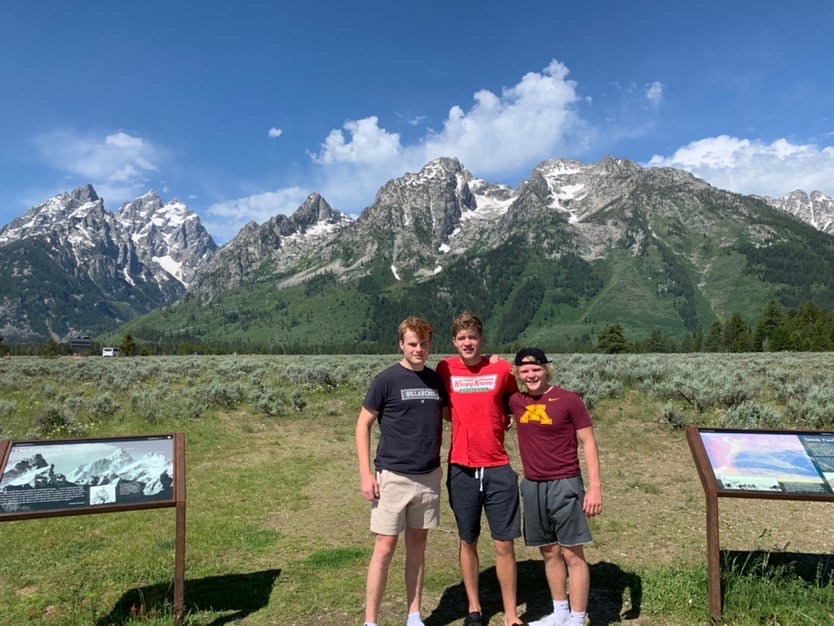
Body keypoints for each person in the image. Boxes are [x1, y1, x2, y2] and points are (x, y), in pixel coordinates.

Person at [356, 315, 450, 626]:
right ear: (401, 344)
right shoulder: (387, 380)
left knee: (418, 548)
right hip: (393, 476)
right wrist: (366, 474)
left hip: (428, 476)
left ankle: (414, 615)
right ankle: (371, 621)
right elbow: (363, 424)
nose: (418, 349)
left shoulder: (435, 380)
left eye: (423, 344)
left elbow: (453, 415)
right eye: (412, 343)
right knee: (384, 548)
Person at [436, 312, 526, 626]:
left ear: (481, 339)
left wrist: (506, 416)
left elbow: (513, 399)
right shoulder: (445, 368)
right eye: (462, 338)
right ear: (454, 342)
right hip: (461, 465)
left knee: (504, 542)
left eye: (472, 337)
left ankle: (511, 612)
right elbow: (446, 413)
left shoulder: (500, 368)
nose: (467, 343)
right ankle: (474, 608)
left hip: (498, 465)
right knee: (467, 539)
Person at [508, 348, 603, 626]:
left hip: (565, 482)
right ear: (518, 374)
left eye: (536, 369)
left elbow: (588, 442)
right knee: (548, 551)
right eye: (524, 371)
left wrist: (595, 487)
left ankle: (577, 616)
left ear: (547, 369)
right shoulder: (516, 400)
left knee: (572, 551)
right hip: (533, 485)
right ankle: (560, 611)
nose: (530, 375)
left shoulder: (569, 400)